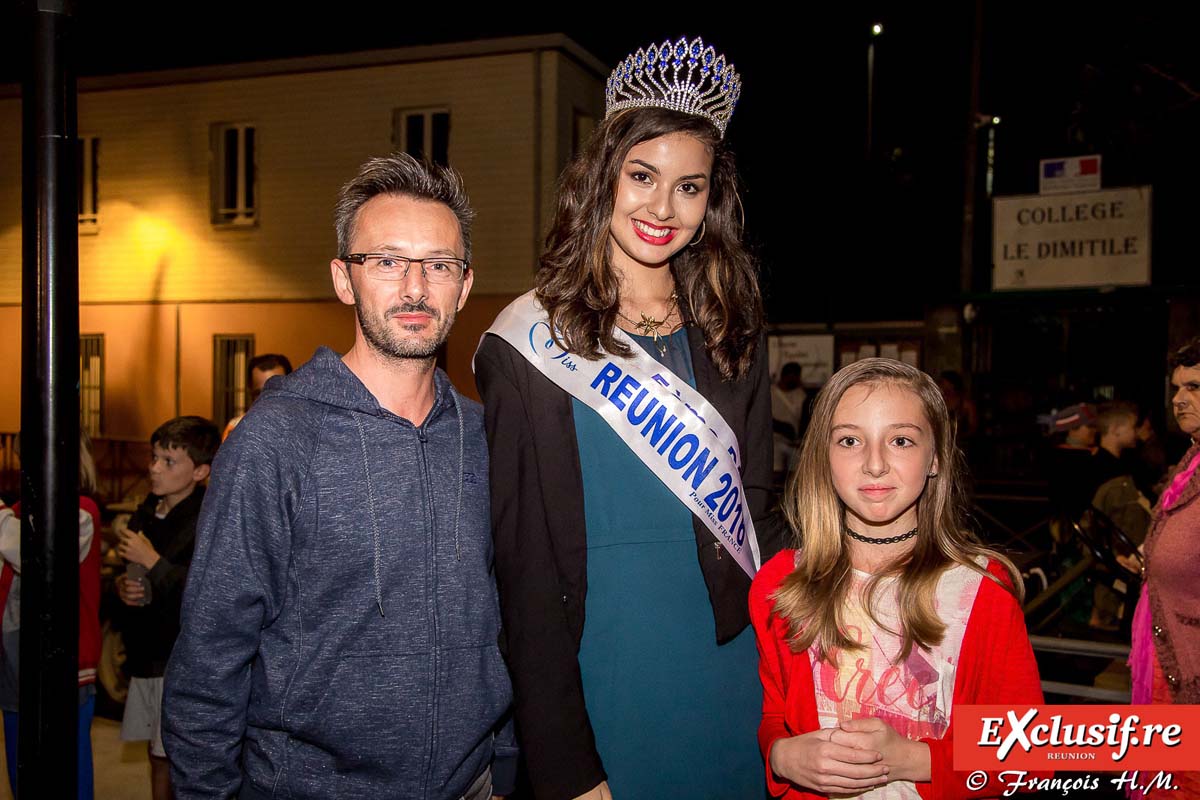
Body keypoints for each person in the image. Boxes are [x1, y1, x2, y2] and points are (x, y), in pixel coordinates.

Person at [475, 35, 785, 800]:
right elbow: (523, 571)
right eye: (642, 176)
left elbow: (761, 513)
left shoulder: (730, 323)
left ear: (711, 199)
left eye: (689, 186)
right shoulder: (524, 344)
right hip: (604, 671)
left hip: (729, 660)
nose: (662, 207)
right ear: (603, 177)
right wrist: (566, 764)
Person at [163, 153, 514, 800]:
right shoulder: (276, 439)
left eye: (438, 265)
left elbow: (510, 623)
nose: (415, 287)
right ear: (344, 279)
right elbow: (209, 663)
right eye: (387, 261)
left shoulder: (487, 439)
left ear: (464, 286)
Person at [750, 358, 1043, 798]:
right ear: (822, 457)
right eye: (850, 440)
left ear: (936, 458)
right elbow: (775, 716)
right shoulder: (782, 584)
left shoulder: (981, 590)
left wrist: (911, 758)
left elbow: (1029, 754)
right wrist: (780, 756)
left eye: (901, 440)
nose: (874, 464)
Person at [115, 415, 219, 800]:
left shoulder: (207, 517)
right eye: (154, 458)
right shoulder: (148, 509)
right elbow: (131, 576)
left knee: (173, 757)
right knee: (156, 754)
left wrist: (153, 561)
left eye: (168, 462)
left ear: (200, 471)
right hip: (148, 652)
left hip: (179, 658)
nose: (154, 469)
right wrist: (122, 588)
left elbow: (205, 592)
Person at [0, 430, 102, 800]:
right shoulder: (14, 513)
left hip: (67, 661)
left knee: (69, 772)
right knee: (19, 765)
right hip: (15, 658)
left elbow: (40, 554)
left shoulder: (82, 510)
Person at [1127, 337, 1200, 799]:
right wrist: (1149, 554)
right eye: (1176, 387)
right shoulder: (1191, 459)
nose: (1178, 399)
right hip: (1167, 659)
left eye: (1194, 386)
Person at [221, 353, 293, 440]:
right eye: (259, 393)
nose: (267, 399)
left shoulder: (307, 425)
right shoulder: (236, 429)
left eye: (275, 391)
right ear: (250, 393)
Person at [773, 362, 807, 476]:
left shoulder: (801, 395)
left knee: (796, 475)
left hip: (794, 443)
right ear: (784, 376)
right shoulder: (770, 393)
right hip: (775, 442)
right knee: (775, 473)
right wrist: (782, 428)